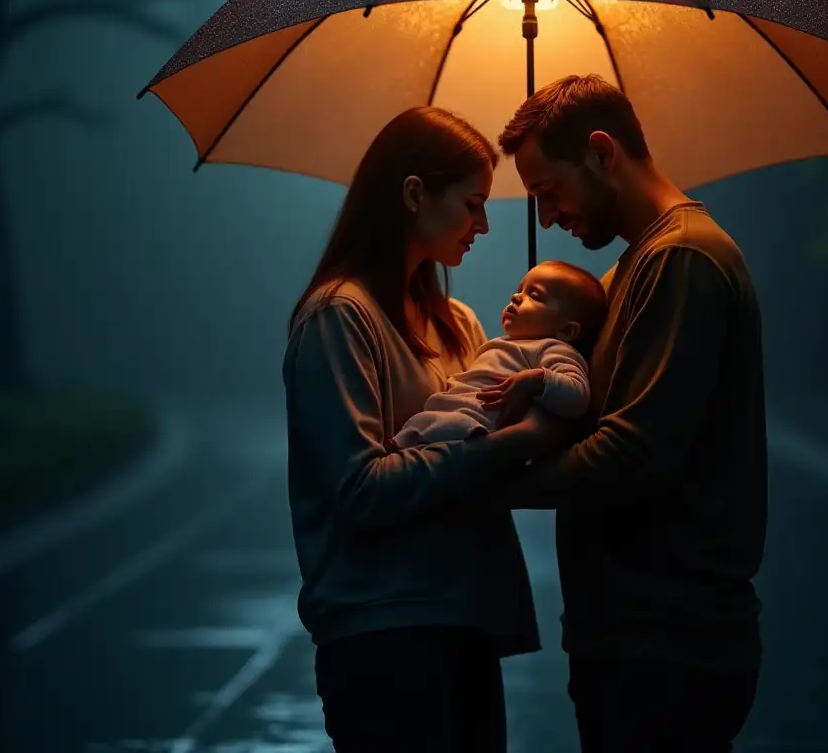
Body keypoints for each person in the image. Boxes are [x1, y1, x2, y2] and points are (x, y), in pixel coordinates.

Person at [493, 74, 768, 752]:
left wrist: (478, 483)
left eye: (546, 192)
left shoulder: (682, 260)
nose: (549, 218)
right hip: (632, 637)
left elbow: (635, 453)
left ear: (600, 151)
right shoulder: (624, 274)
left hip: (669, 644)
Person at [282, 106, 560, 753]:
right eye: (471, 204)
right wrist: (501, 446)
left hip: (465, 620)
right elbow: (359, 489)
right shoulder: (338, 320)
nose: (484, 225)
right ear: (413, 194)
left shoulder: (458, 323)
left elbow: (501, 438)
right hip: (384, 637)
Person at [385, 260, 607, 452]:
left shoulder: (553, 349)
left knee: (445, 427)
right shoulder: (506, 344)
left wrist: (536, 381)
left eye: (535, 295)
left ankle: (402, 448)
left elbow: (577, 396)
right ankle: (400, 446)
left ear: (567, 331)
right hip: (453, 409)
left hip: (477, 422)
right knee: (425, 421)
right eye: (520, 289)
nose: (516, 297)